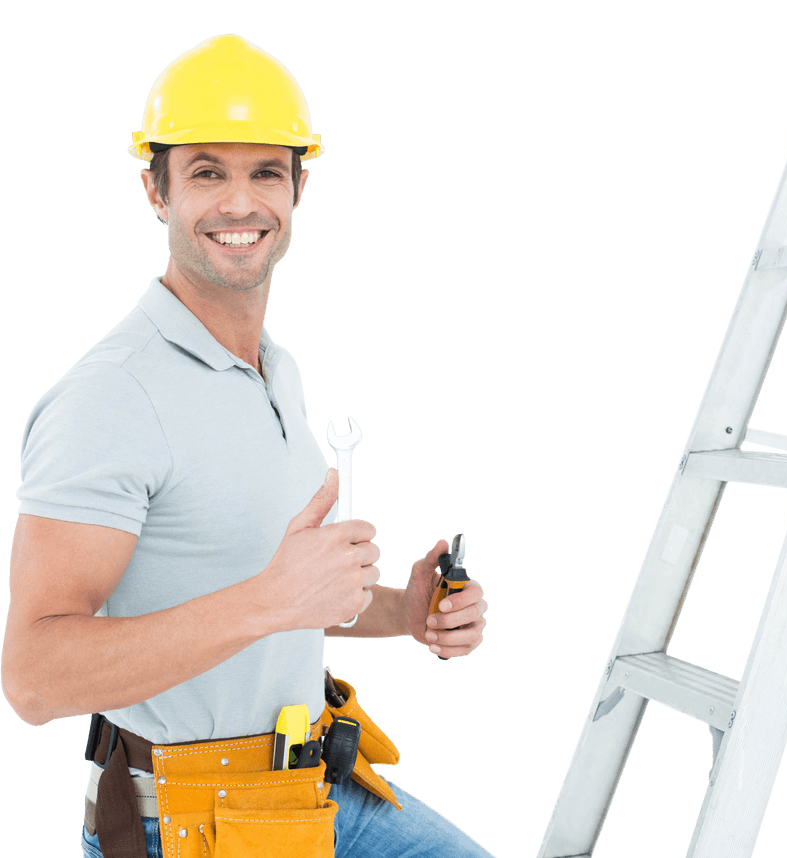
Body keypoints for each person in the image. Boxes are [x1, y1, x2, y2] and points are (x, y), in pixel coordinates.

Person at [0, 33, 492, 858]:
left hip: (318, 787)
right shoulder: (110, 396)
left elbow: (275, 600)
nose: (240, 203)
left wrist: (403, 613)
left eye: (266, 170)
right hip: (190, 826)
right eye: (206, 171)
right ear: (155, 189)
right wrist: (272, 598)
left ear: (300, 186)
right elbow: (33, 678)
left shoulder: (275, 370)